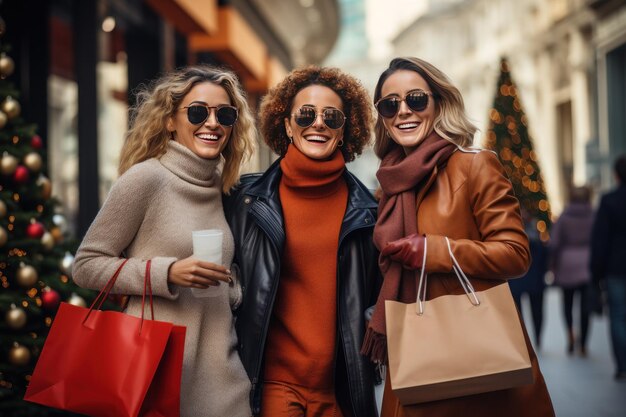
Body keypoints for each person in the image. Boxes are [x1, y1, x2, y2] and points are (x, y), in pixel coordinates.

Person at [361, 57, 554, 416]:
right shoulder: (388, 185)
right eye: (390, 105)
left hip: (478, 361)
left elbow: (515, 253)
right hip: (415, 359)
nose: (403, 111)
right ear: (383, 118)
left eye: (416, 100)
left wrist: (436, 251)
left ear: (438, 103)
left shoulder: (475, 164)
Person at [73, 65, 256, 416]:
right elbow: (86, 265)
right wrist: (167, 273)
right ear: (170, 120)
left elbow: (224, 273)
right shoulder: (146, 179)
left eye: (225, 114)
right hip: (153, 373)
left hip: (224, 376)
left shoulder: (226, 186)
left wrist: (232, 288)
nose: (213, 123)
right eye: (199, 112)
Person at [224, 66, 381, 417]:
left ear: (345, 131)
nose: (319, 123)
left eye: (332, 116)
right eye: (306, 114)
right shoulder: (243, 200)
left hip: (341, 390)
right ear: (287, 125)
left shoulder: (371, 212)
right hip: (274, 388)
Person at [591, 155, 626, 380]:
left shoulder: (609, 200)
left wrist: (596, 273)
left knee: (618, 317)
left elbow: (600, 240)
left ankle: (623, 366)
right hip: (615, 268)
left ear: (615, 175)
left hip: (616, 268)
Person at [550, 186, 594, 356]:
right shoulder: (593, 216)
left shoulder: (564, 217)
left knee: (567, 304)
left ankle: (570, 334)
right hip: (587, 264)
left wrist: (552, 266)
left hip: (566, 264)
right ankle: (583, 344)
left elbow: (554, 244)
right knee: (585, 307)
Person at [509, 208, 548, 349]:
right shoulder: (537, 237)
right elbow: (544, 258)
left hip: (516, 279)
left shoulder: (511, 236)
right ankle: (536, 338)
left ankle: (523, 340)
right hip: (535, 279)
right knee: (536, 311)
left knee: (518, 313)